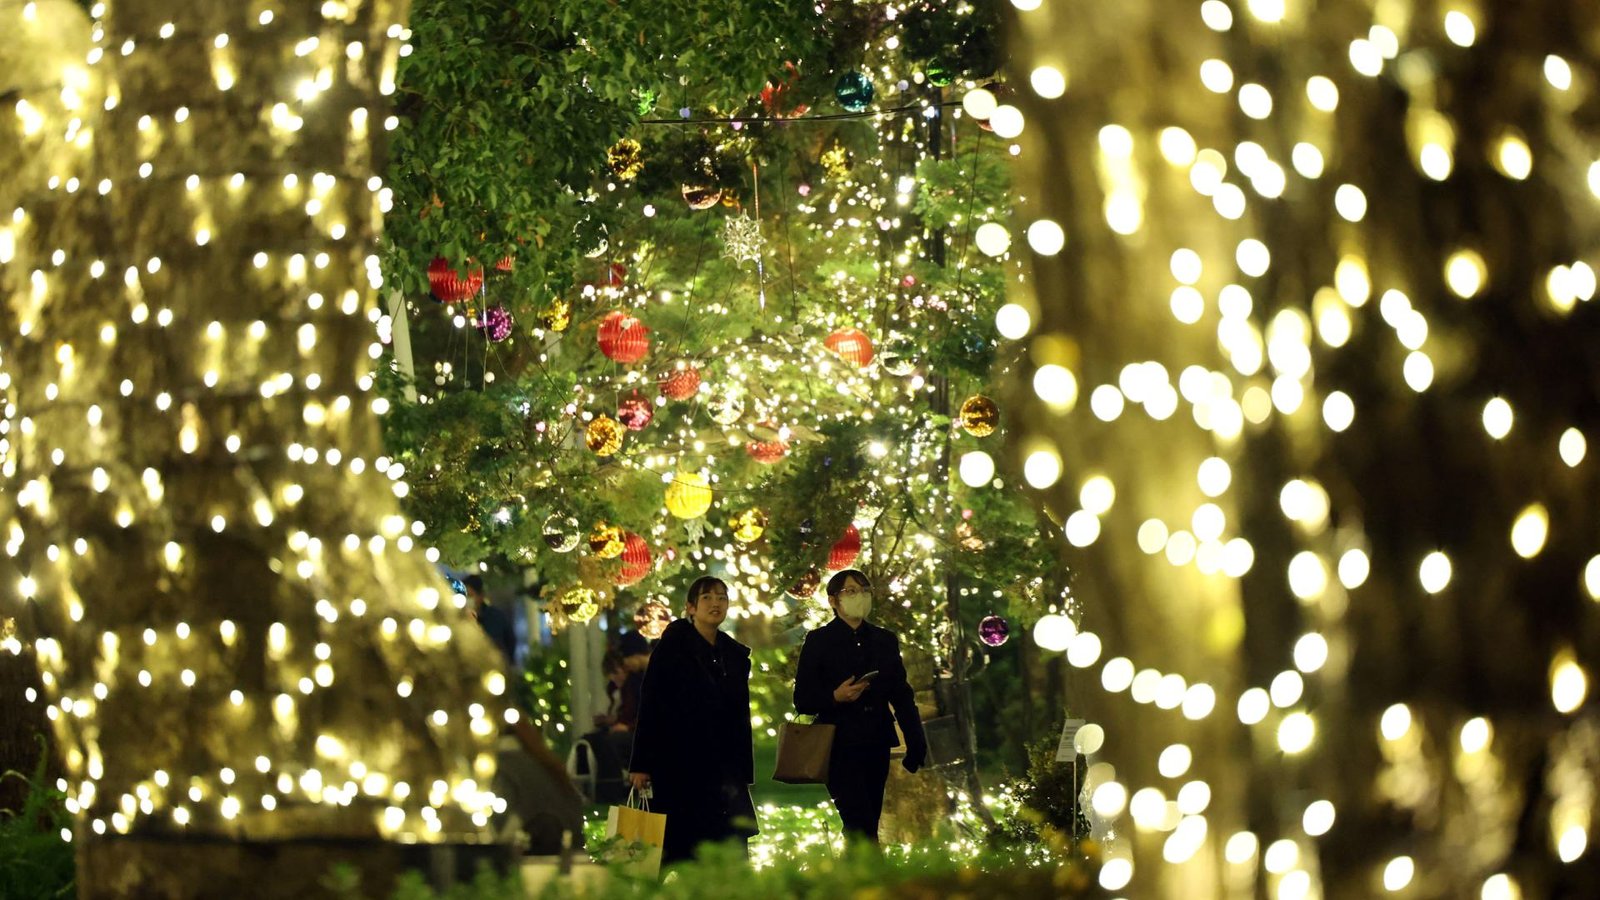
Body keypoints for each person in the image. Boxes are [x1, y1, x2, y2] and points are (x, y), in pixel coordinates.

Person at [628, 576, 757, 867]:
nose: (716, 604)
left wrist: (742, 770)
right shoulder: (672, 650)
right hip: (679, 762)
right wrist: (641, 763)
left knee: (728, 846)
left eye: (721, 598)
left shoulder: (734, 656)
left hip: (723, 766)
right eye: (707, 598)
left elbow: (740, 717)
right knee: (677, 845)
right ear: (690, 607)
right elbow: (651, 706)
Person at [793, 568, 927, 844]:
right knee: (858, 822)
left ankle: (863, 879)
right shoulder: (819, 641)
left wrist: (916, 741)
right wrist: (834, 697)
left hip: (876, 740)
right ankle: (865, 881)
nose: (859, 596)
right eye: (851, 591)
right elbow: (803, 699)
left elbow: (901, 694)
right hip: (838, 744)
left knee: (868, 822)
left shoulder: (884, 640)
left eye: (864, 590)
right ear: (833, 601)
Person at [464, 574, 517, 666]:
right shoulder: (459, 619)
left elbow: (510, 643)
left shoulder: (497, 617)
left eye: (470, 595)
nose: (467, 600)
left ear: (481, 595)